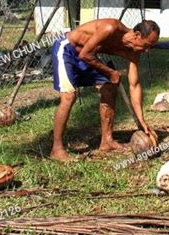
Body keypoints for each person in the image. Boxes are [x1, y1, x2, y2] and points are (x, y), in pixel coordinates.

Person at [50, 18, 160, 161]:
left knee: (109, 88)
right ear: (137, 35)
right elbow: (84, 54)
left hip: (88, 55)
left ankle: (106, 141)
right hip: (67, 50)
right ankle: (56, 149)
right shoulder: (110, 28)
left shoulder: (134, 51)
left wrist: (141, 120)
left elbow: (134, 84)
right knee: (69, 97)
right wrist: (110, 72)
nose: (146, 51)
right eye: (146, 45)